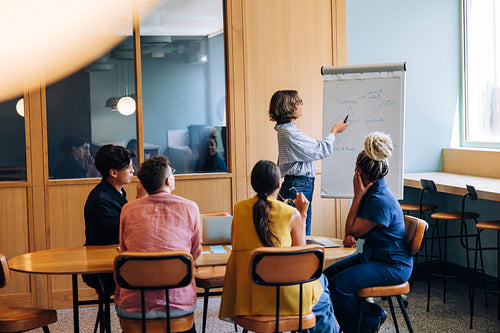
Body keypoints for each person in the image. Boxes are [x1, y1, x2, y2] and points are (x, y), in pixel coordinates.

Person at [219, 160, 337, 333]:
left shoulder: (238, 209)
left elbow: (236, 246)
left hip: (248, 298)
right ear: (279, 184)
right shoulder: (291, 213)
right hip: (284, 297)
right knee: (322, 286)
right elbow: (302, 260)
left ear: (253, 184)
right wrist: (302, 215)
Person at [323, 132, 412, 333]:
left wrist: (356, 197)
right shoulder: (374, 193)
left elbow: (350, 229)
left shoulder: (379, 201)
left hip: (392, 265)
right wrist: (352, 233)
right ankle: (361, 322)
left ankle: (370, 318)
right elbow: (352, 233)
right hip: (374, 257)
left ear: (359, 172)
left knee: (338, 287)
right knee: (325, 279)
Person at [114, 155, 201, 329]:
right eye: (173, 173)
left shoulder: (128, 210)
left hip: (134, 304)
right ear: (168, 181)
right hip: (179, 303)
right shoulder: (190, 207)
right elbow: (194, 253)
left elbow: (124, 251)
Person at [269, 90, 348, 235]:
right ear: (289, 107)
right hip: (298, 184)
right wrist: (334, 131)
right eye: (298, 102)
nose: (301, 105)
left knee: (298, 228)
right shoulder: (289, 132)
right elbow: (319, 149)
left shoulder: (288, 129)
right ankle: (300, 257)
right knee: (300, 230)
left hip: (298, 183)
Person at [82, 144, 136, 293]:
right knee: (150, 275)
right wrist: (141, 201)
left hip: (117, 257)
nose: (133, 171)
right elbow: (124, 230)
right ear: (113, 172)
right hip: (103, 267)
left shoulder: (117, 191)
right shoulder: (100, 198)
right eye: (129, 167)